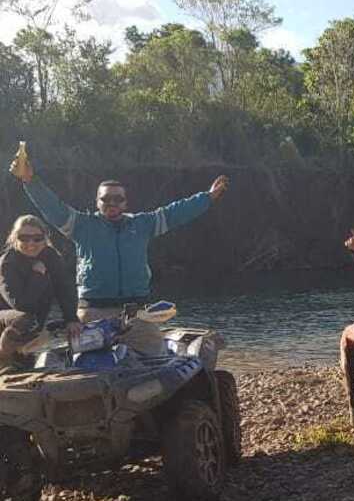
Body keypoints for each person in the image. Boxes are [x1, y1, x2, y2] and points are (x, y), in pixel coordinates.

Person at [9, 144, 227, 356]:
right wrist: (29, 180)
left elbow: (175, 213)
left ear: (125, 202)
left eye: (118, 198)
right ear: (97, 202)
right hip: (92, 313)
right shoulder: (82, 226)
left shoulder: (142, 224)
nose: (112, 202)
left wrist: (206, 198)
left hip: (138, 315)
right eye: (105, 198)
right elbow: (52, 207)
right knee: (85, 365)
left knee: (157, 358)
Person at [0, 216, 79, 368]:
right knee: (24, 319)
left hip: (32, 323)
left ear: (45, 239)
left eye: (37, 238)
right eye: (24, 238)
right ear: (14, 238)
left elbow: (65, 288)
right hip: (9, 318)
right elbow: (21, 304)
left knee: (26, 366)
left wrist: (72, 318)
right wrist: (37, 276)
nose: (31, 244)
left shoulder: (50, 256)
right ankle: (2, 358)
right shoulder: (7, 263)